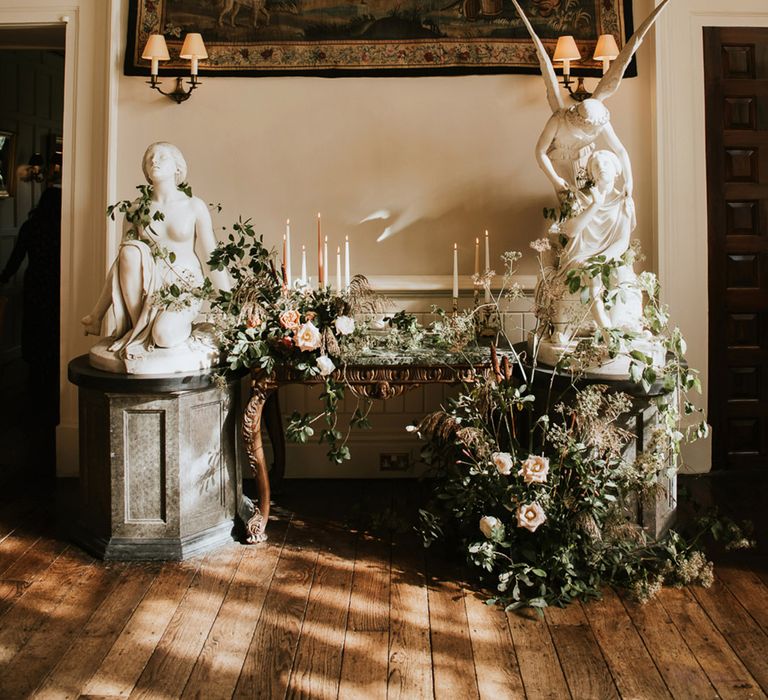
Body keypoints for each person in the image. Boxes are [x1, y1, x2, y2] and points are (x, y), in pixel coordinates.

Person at [82, 143, 230, 361]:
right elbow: (123, 262)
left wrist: (230, 301)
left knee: (164, 336)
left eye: (162, 156)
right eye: (150, 157)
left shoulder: (193, 206)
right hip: (146, 289)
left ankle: (156, 329)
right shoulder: (136, 209)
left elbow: (211, 255)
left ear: (177, 168)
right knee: (131, 250)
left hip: (183, 285)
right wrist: (97, 313)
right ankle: (138, 329)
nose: (154, 160)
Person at [0, 182, 62, 477]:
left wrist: (4, 277)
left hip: (35, 282)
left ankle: (35, 384)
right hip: (55, 284)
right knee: (51, 330)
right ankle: (49, 386)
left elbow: (16, 258)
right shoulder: (62, 227)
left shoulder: (30, 225)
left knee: (34, 330)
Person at [552, 149, 640, 336]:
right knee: (591, 272)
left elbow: (622, 242)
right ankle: (608, 332)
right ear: (591, 173)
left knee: (620, 271)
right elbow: (570, 231)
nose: (602, 168)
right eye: (596, 165)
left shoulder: (624, 202)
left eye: (606, 163)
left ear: (617, 170)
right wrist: (595, 205)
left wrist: (600, 260)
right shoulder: (580, 198)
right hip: (579, 256)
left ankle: (616, 331)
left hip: (607, 256)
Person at [535, 99, 633, 203]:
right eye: (593, 130)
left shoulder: (600, 120)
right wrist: (555, 180)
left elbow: (620, 150)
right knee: (570, 205)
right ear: (583, 124)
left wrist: (629, 180)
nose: (597, 132)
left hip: (585, 159)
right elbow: (540, 151)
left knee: (589, 201)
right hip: (561, 161)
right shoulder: (558, 120)